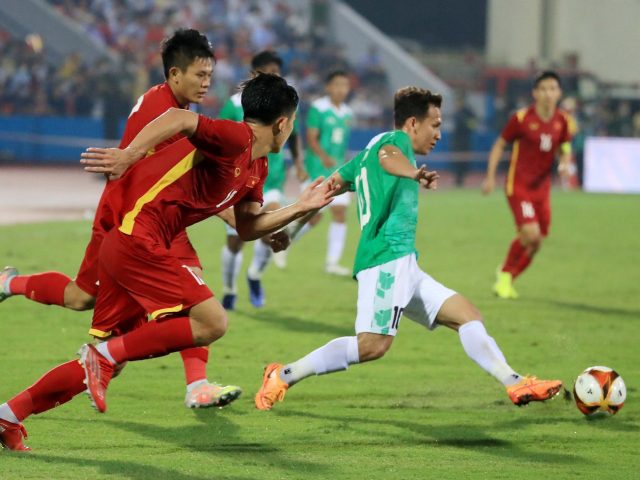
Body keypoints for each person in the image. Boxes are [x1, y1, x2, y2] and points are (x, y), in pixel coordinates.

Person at [0, 74, 336, 451]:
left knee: (107, 351)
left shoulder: (255, 168)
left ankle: (8, 415)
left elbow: (246, 226)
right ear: (284, 123)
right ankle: (109, 358)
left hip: (138, 246)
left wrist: (297, 210)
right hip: (137, 238)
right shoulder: (235, 137)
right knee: (210, 321)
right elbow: (181, 120)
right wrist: (128, 155)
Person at [254, 86, 562, 412]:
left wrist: (292, 231)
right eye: (436, 124)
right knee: (372, 346)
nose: (439, 134)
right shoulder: (394, 143)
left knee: (467, 315)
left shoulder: (367, 151)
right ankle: (283, 374)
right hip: (385, 260)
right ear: (413, 124)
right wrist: (413, 173)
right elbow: (390, 159)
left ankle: (514, 382)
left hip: (405, 263)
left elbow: (328, 188)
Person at [0, 29, 241, 409]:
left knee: (104, 314)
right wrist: (235, 217)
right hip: (127, 222)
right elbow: (182, 181)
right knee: (100, 318)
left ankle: (196, 385)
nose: (206, 82)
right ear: (175, 74)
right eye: (200, 74)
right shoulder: (168, 116)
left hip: (150, 221)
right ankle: (12, 293)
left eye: (209, 75)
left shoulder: (169, 106)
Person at [218, 50, 307, 310]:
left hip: (272, 178)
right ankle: (230, 290)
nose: (274, 76)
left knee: (272, 227)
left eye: (277, 72)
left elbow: (295, 136)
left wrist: (299, 164)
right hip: (238, 182)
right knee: (234, 242)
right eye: (268, 71)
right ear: (253, 74)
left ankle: (255, 274)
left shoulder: (286, 105)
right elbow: (221, 138)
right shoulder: (234, 105)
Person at [482, 71, 573, 299]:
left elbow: (565, 147)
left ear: (559, 93)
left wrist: (564, 163)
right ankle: (504, 274)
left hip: (542, 189)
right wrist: (490, 176)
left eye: (552, 89)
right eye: (543, 89)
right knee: (530, 234)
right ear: (535, 93)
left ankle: (508, 278)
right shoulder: (522, 119)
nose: (548, 94)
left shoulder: (563, 121)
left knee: (537, 242)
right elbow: (499, 145)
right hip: (519, 185)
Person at [301, 70, 353, 276]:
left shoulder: (348, 112)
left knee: (340, 213)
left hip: (338, 170)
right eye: (337, 85)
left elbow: (341, 144)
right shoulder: (319, 108)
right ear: (328, 87)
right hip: (318, 169)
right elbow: (311, 137)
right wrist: (323, 156)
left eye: (345, 85)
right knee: (313, 217)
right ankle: (284, 239)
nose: (342, 89)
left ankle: (332, 263)